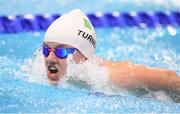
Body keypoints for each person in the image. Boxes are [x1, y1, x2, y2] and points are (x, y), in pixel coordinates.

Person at [43, 9, 180, 92]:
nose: (49, 58)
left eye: (61, 52)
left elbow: (169, 78)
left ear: (84, 56)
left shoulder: (112, 76)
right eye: (46, 50)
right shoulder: (38, 72)